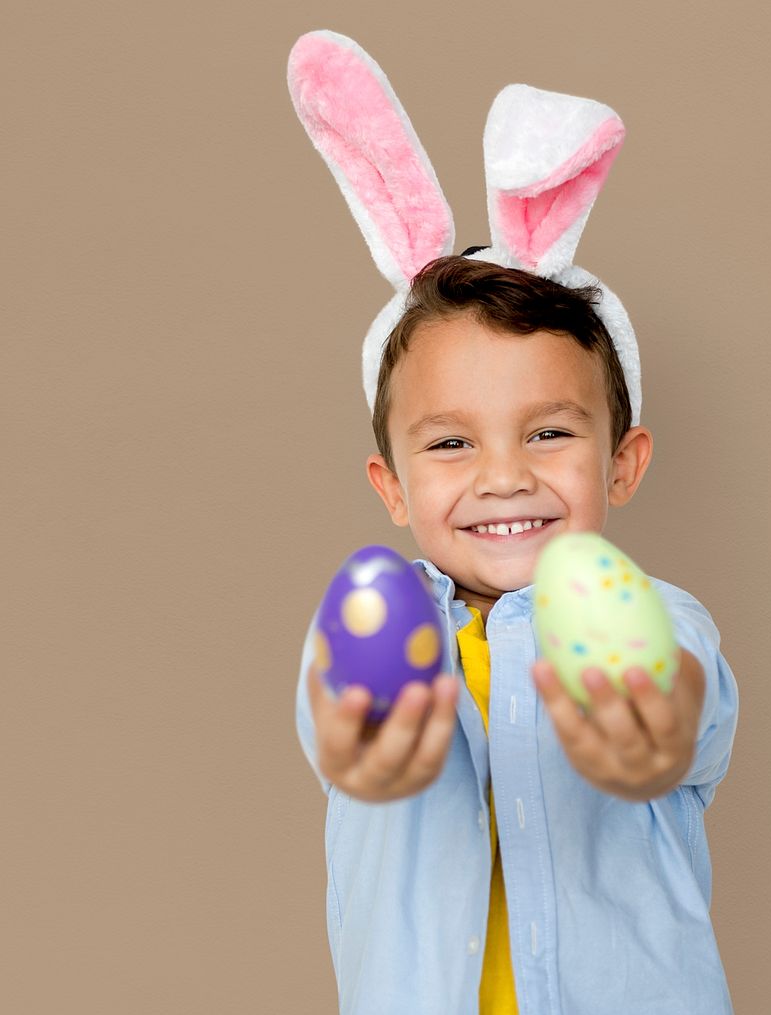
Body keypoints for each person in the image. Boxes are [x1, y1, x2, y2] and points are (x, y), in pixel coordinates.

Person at [295, 256, 739, 1014]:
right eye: (450, 444)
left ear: (621, 465)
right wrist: (370, 710)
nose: (504, 476)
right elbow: (331, 736)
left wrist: (636, 688)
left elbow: (695, 717)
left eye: (549, 432)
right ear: (393, 486)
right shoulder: (383, 621)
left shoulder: (659, 616)